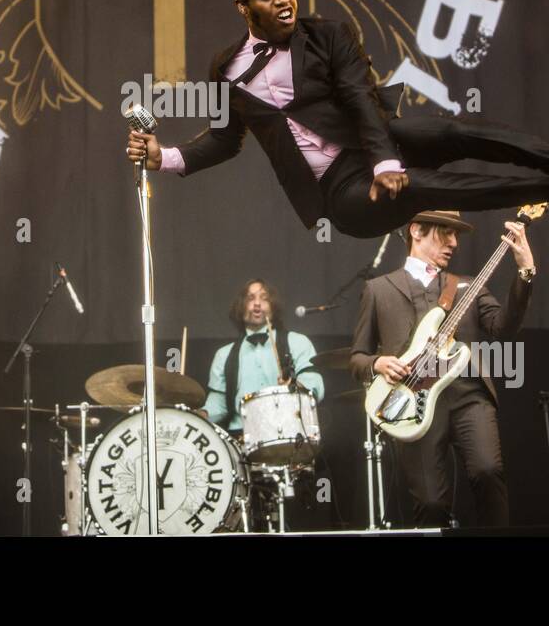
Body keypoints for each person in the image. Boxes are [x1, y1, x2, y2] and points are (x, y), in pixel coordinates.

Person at [125, 0, 549, 237]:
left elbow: (360, 97)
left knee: (454, 129)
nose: (285, 0)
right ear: (244, 7)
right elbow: (222, 139)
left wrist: (382, 161)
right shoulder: (225, 68)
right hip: (340, 192)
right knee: (424, 187)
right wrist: (164, 156)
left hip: (378, 140)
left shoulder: (327, 33)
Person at [349, 210, 530, 527]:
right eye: (445, 233)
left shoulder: (466, 286)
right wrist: (377, 362)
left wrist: (525, 272)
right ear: (416, 231)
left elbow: (503, 329)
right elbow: (357, 358)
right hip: (413, 403)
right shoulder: (378, 289)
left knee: (488, 472)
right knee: (431, 504)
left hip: (467, 396)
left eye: (457, 235)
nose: (454, 243)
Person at [203, 279, 325, 431]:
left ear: (273, 307)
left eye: (264, 298)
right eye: (250, 298)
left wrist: (295, 387)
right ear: (240, 307)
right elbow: (218, 403)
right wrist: (200, 415)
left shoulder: (298, 342)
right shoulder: (223, 355)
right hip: (240, 438)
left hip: (290, 433)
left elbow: (314, 384)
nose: (257, 303)